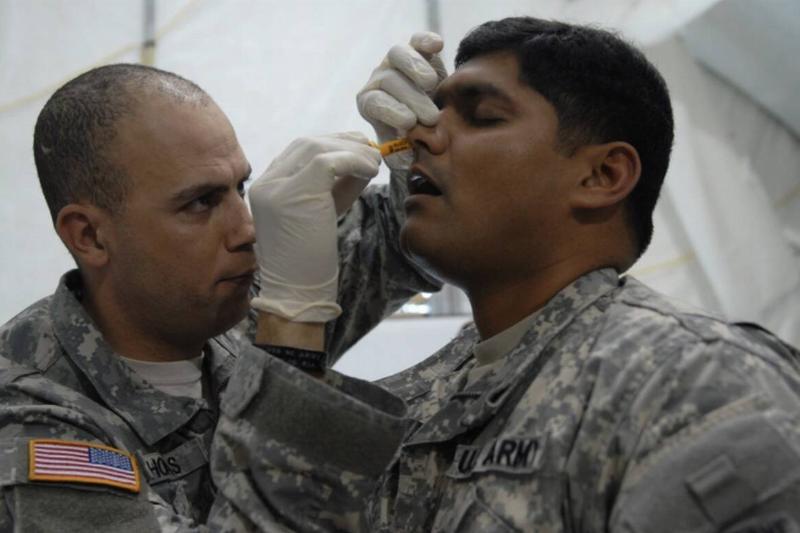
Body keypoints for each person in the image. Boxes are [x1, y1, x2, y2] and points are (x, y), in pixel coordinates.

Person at [217, 17, 800, 532]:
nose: (420, 135)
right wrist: (288, 315)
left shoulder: (695, 382)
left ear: (602, 176)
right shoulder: (407, 403)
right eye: (431, 114)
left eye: (483, 116)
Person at [0, 63, 439, 530]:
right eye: (200, 203)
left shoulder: (226, 302)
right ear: (88, 235)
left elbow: (409, 239)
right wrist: (291, 331)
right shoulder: (35, 419)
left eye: (240, 187)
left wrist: (414, 152)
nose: (246, 229)